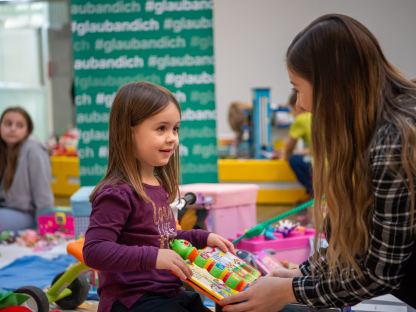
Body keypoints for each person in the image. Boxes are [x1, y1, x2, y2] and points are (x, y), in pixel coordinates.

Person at [220, 14, 416, 311]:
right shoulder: (376, 125)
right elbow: (358, 243)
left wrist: (289, 291)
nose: (299, 104)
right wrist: (303, 275)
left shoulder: (394, 139)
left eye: (297, 88)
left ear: (332, 85)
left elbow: (381, 272)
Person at [83, 82, 235, 312]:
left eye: (175, 129)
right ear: (129, 131)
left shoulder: (158, 186)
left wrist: (202, 237)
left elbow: (162, 238)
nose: (172, 138)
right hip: (131, 300)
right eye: (161, 128)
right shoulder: (116, 193)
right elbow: (94, 251)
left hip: (167, 294)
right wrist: (153, 257)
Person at [0, 107, 54, 231]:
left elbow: (43, 194)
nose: (12, 128)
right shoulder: (3, 149)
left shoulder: (34, 150)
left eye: (19, 125)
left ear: (28, 130)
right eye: (8, 123)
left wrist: (45, 229)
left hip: (27, 214)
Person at [279, 91, 313, 196]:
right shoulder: (314, 115)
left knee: (293, 160)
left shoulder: (300, 119)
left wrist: (283, 157)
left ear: (296, 107)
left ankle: (313, 191)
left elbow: (289, 147)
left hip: (317, 164)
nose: (292, 114)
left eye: (291, 110)